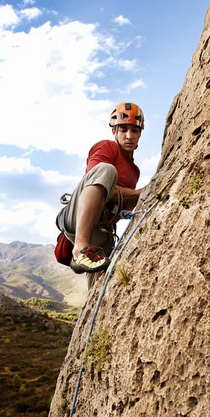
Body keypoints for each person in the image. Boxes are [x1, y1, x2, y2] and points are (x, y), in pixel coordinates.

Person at [56, 102, 145, 285]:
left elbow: (124, 205)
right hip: (78, 219)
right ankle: (80, 248)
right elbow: (96, 178)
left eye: (134, 131)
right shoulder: (106, 147)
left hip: (103, 229)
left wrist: (134, 198)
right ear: (114, 132)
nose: (129, 136)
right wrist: (137, 193)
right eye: (123, 130)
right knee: (106, 170)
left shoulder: (135, 171)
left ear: (140, 134)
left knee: (103, 282)